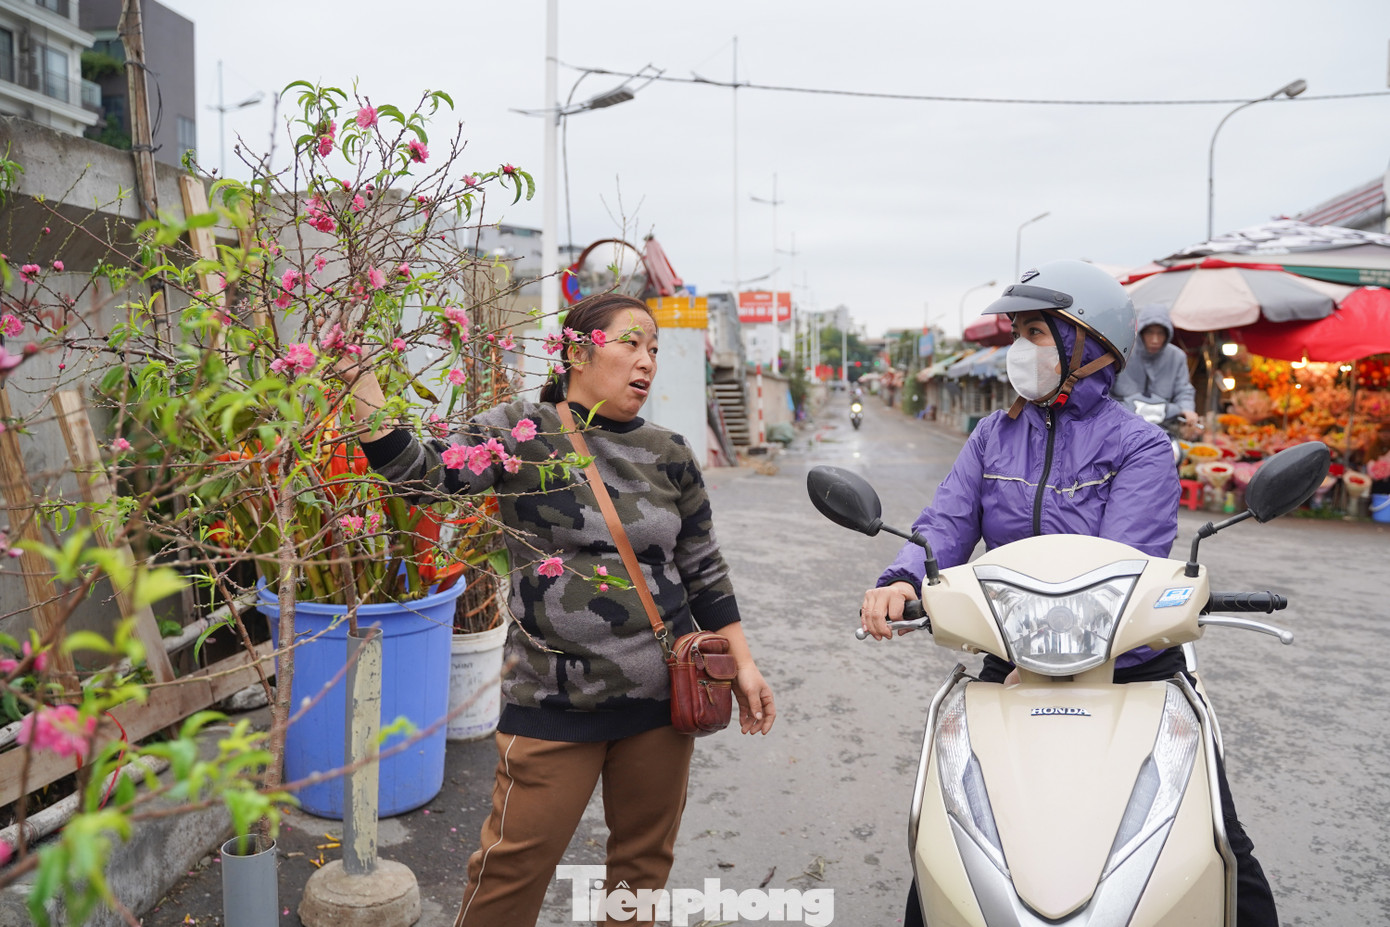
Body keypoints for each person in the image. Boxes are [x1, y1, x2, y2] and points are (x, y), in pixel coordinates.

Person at [858, 260, 1278, 927]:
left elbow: (1122, 562)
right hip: (1012, 663)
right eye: (1018, 332)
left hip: (1131, 667)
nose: (1021, 348)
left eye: (1036, 332)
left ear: (1087, 343)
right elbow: (946, 522)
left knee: (1218, 837)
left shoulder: (1139, 445)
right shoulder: (991, 437)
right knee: (949, 842)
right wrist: (905, 576)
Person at [339, 293, 776, 927]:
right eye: (630, 343)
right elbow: (425, 476)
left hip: (661, 701)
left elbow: (704, 571)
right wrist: (362, 383)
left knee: (642, 870)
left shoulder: (672, 452)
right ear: (576, 350)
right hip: (552, 701)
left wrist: (743, 664)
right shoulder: (521, 431)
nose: (646, 361)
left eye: (654, 349)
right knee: (510, 870)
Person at [1112, 302, 1200, 429]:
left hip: (1163, 427)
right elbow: (1106, 388)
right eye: (1149, 333)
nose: (1155, 339)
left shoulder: (1177, 356)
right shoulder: (1124, 351)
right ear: (1141, 332)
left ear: (1168, 334)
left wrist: (1187, 409)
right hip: (1121, 421)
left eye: (1160, 333)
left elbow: (1184, 389)